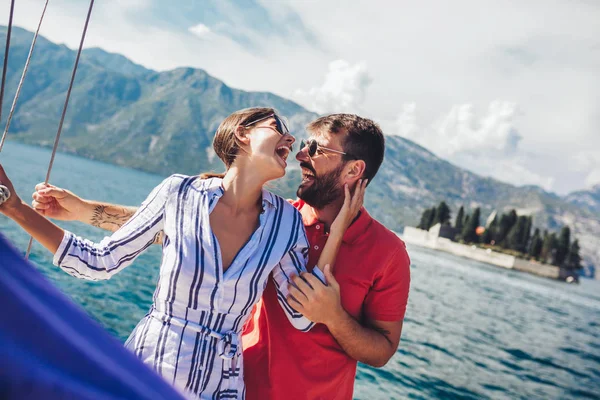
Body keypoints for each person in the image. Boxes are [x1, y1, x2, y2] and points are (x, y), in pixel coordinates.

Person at [28, 113, 411, 400]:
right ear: (242, 137)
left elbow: (376, 347)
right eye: (301, 144)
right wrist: (83, 210)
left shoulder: (380, 251)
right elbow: (177, 230)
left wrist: (333, 315)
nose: (301, 154)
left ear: (354, 169)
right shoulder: (267, 213)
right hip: (224, 381)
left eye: (317, 149)